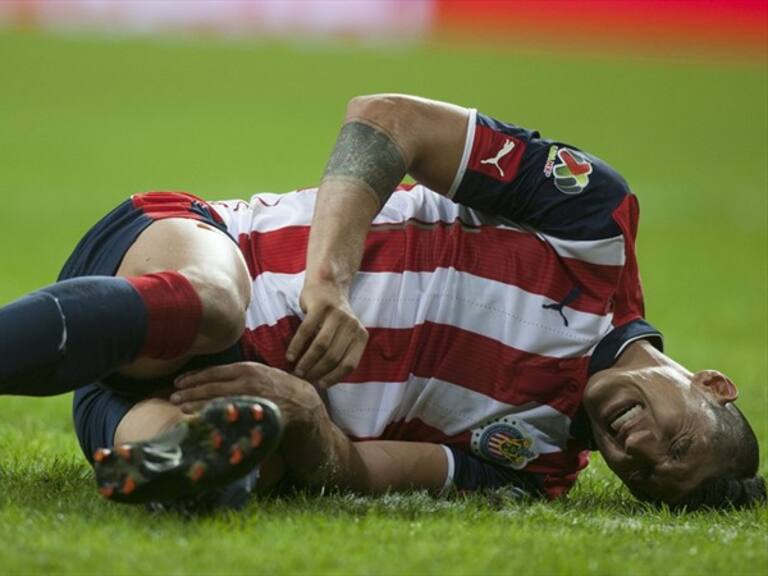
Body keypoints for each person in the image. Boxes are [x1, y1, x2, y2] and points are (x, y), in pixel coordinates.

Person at [0, 94, 763, 510]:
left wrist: (302, 413)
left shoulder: (532, 469)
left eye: (643, 476)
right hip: (188, 254)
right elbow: (386, 120)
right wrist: (327, 276)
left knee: (244, 462)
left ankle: (152, 449)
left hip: (204, 392)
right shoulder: (596, 227)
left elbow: (359, 475)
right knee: (214, 309)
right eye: (678, 444)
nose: (638, 453)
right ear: (711, 385)